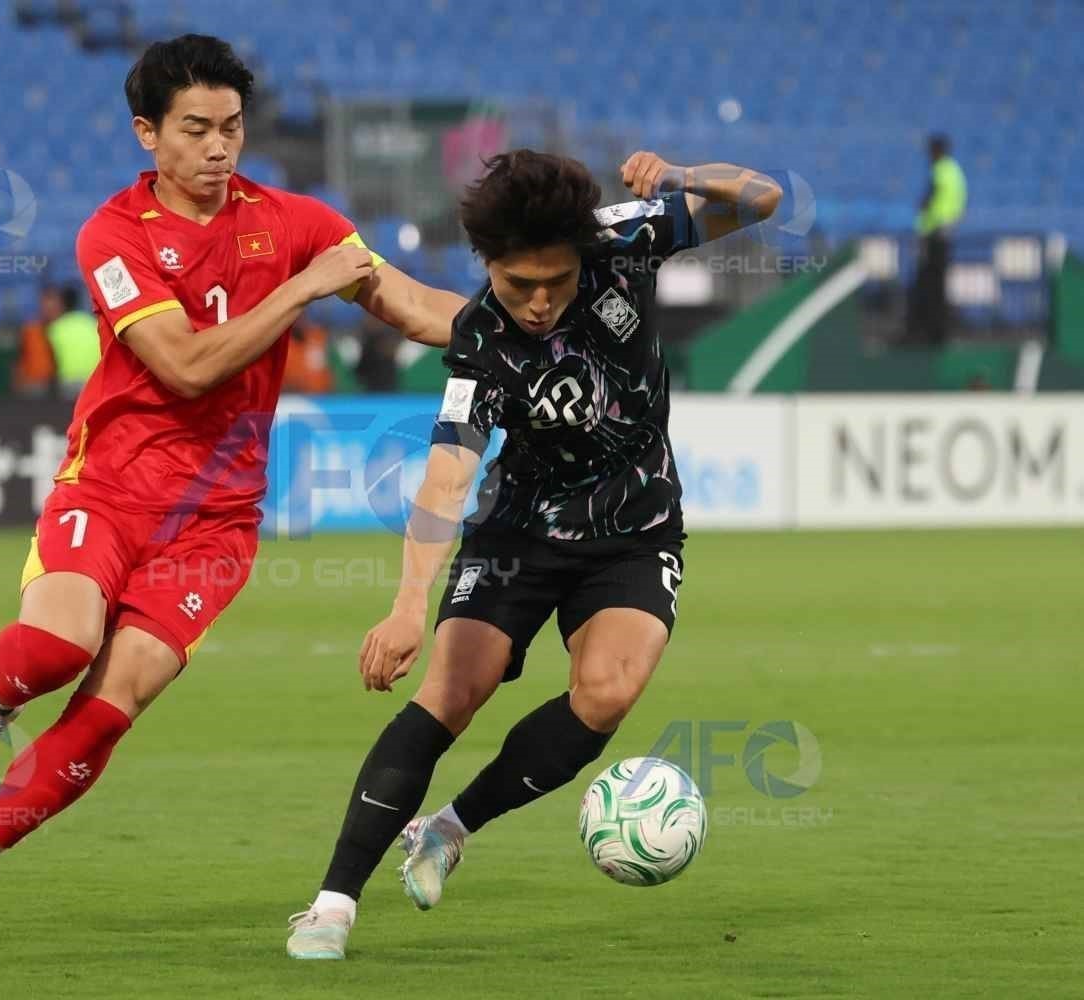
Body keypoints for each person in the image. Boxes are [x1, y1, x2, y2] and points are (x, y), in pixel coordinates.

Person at [0, 33, 468, 943]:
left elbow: (413, 305)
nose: (219, 148)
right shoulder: (113, 235)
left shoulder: (295, 222)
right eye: (196, 129)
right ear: (148, 133)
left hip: (216, 520)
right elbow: (184, 367)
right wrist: (303, 290)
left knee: (113, 706)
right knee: (59, 648)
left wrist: (526, 325)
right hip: (112, 485)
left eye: (232, 127)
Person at [286, 149, 782, 959]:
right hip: (519, 532)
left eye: (557, 281)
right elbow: (447, 476)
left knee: (608, 693)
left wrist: (683, 176)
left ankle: (451, 829)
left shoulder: (625, 239)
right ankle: (331, 907)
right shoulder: (480, 340)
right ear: (487, 265)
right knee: (452, 692)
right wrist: (407, 606)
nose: (541, 301)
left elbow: (762, 197)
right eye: (520, 285)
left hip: (635, 527)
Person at [910, 134, 967, 344]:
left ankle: (929, 332)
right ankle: (936, 331)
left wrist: (923, 210)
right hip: (945, 232)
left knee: (930, 285)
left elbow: (930, 199)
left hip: (935, 234)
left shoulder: (941, 170)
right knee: (937, 285)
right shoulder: (955, 171)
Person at [45, 285, 101, 396]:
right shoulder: (92, 323)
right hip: (93, 380)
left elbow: (50, 361)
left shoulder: (56, 328)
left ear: (62, 304)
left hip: (68, 382)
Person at [12, 285, 62, 397]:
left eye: (54, 306)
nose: (50, 309)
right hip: (34, 385)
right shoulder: (30, 330)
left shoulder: (65, 328)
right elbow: (18, 358)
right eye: (47, 305)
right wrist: (18, 382)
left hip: (60, 386)